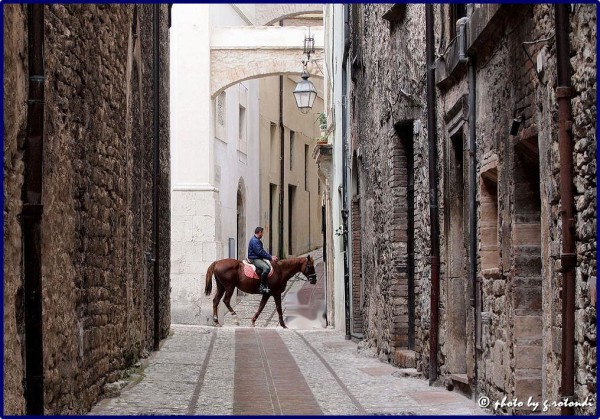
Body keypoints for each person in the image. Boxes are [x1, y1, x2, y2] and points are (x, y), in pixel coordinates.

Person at [248, 227, 279, 294]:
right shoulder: (255, 241)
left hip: (257, 258)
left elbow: (262, 251)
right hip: (254, 259)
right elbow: (260, 252)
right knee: (266, 268)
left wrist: (271, 256)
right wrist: (270, 258)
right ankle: (262, 286)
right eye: (262, 233)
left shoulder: (256, 240)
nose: (262, 234)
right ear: (259, 232)